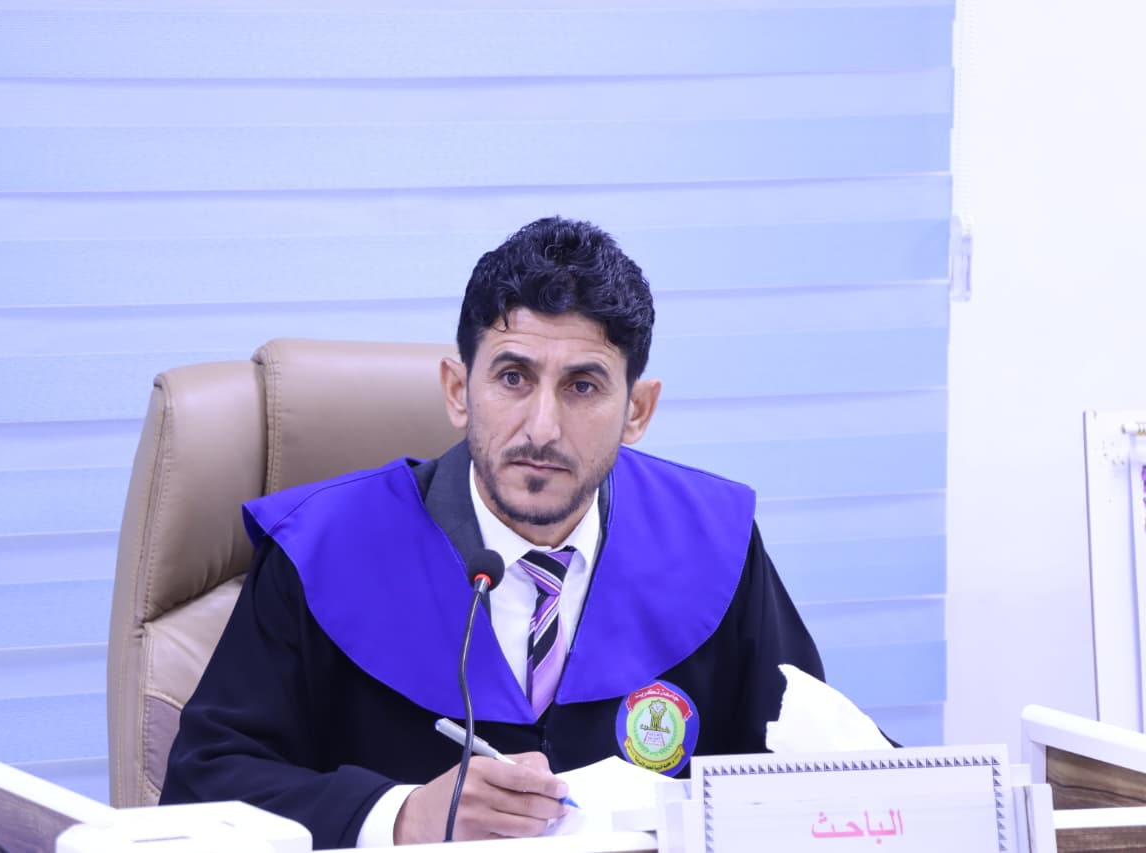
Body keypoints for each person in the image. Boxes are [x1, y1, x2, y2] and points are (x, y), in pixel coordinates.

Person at [159, 216, 824, 848]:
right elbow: (202, 787)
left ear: (637, 410)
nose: (542, 428)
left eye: (583, 387)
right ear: (458, 390)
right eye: (513, 377)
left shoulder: (712, 542)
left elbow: (814, 779)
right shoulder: (324, 549)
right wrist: (397, 817)